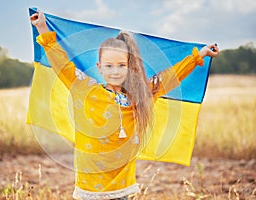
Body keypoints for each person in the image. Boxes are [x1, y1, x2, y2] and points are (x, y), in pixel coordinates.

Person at [30, 11, 219, 200]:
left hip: (122, 186)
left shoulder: (140, 96)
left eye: (121, 65)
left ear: (130, 67)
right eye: (109, 66)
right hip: (90, 189)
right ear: (99, 67)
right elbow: (62, 64)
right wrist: (42, 27)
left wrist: (199, 55)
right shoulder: (85, 89)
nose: (115, 71)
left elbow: (168, 78)